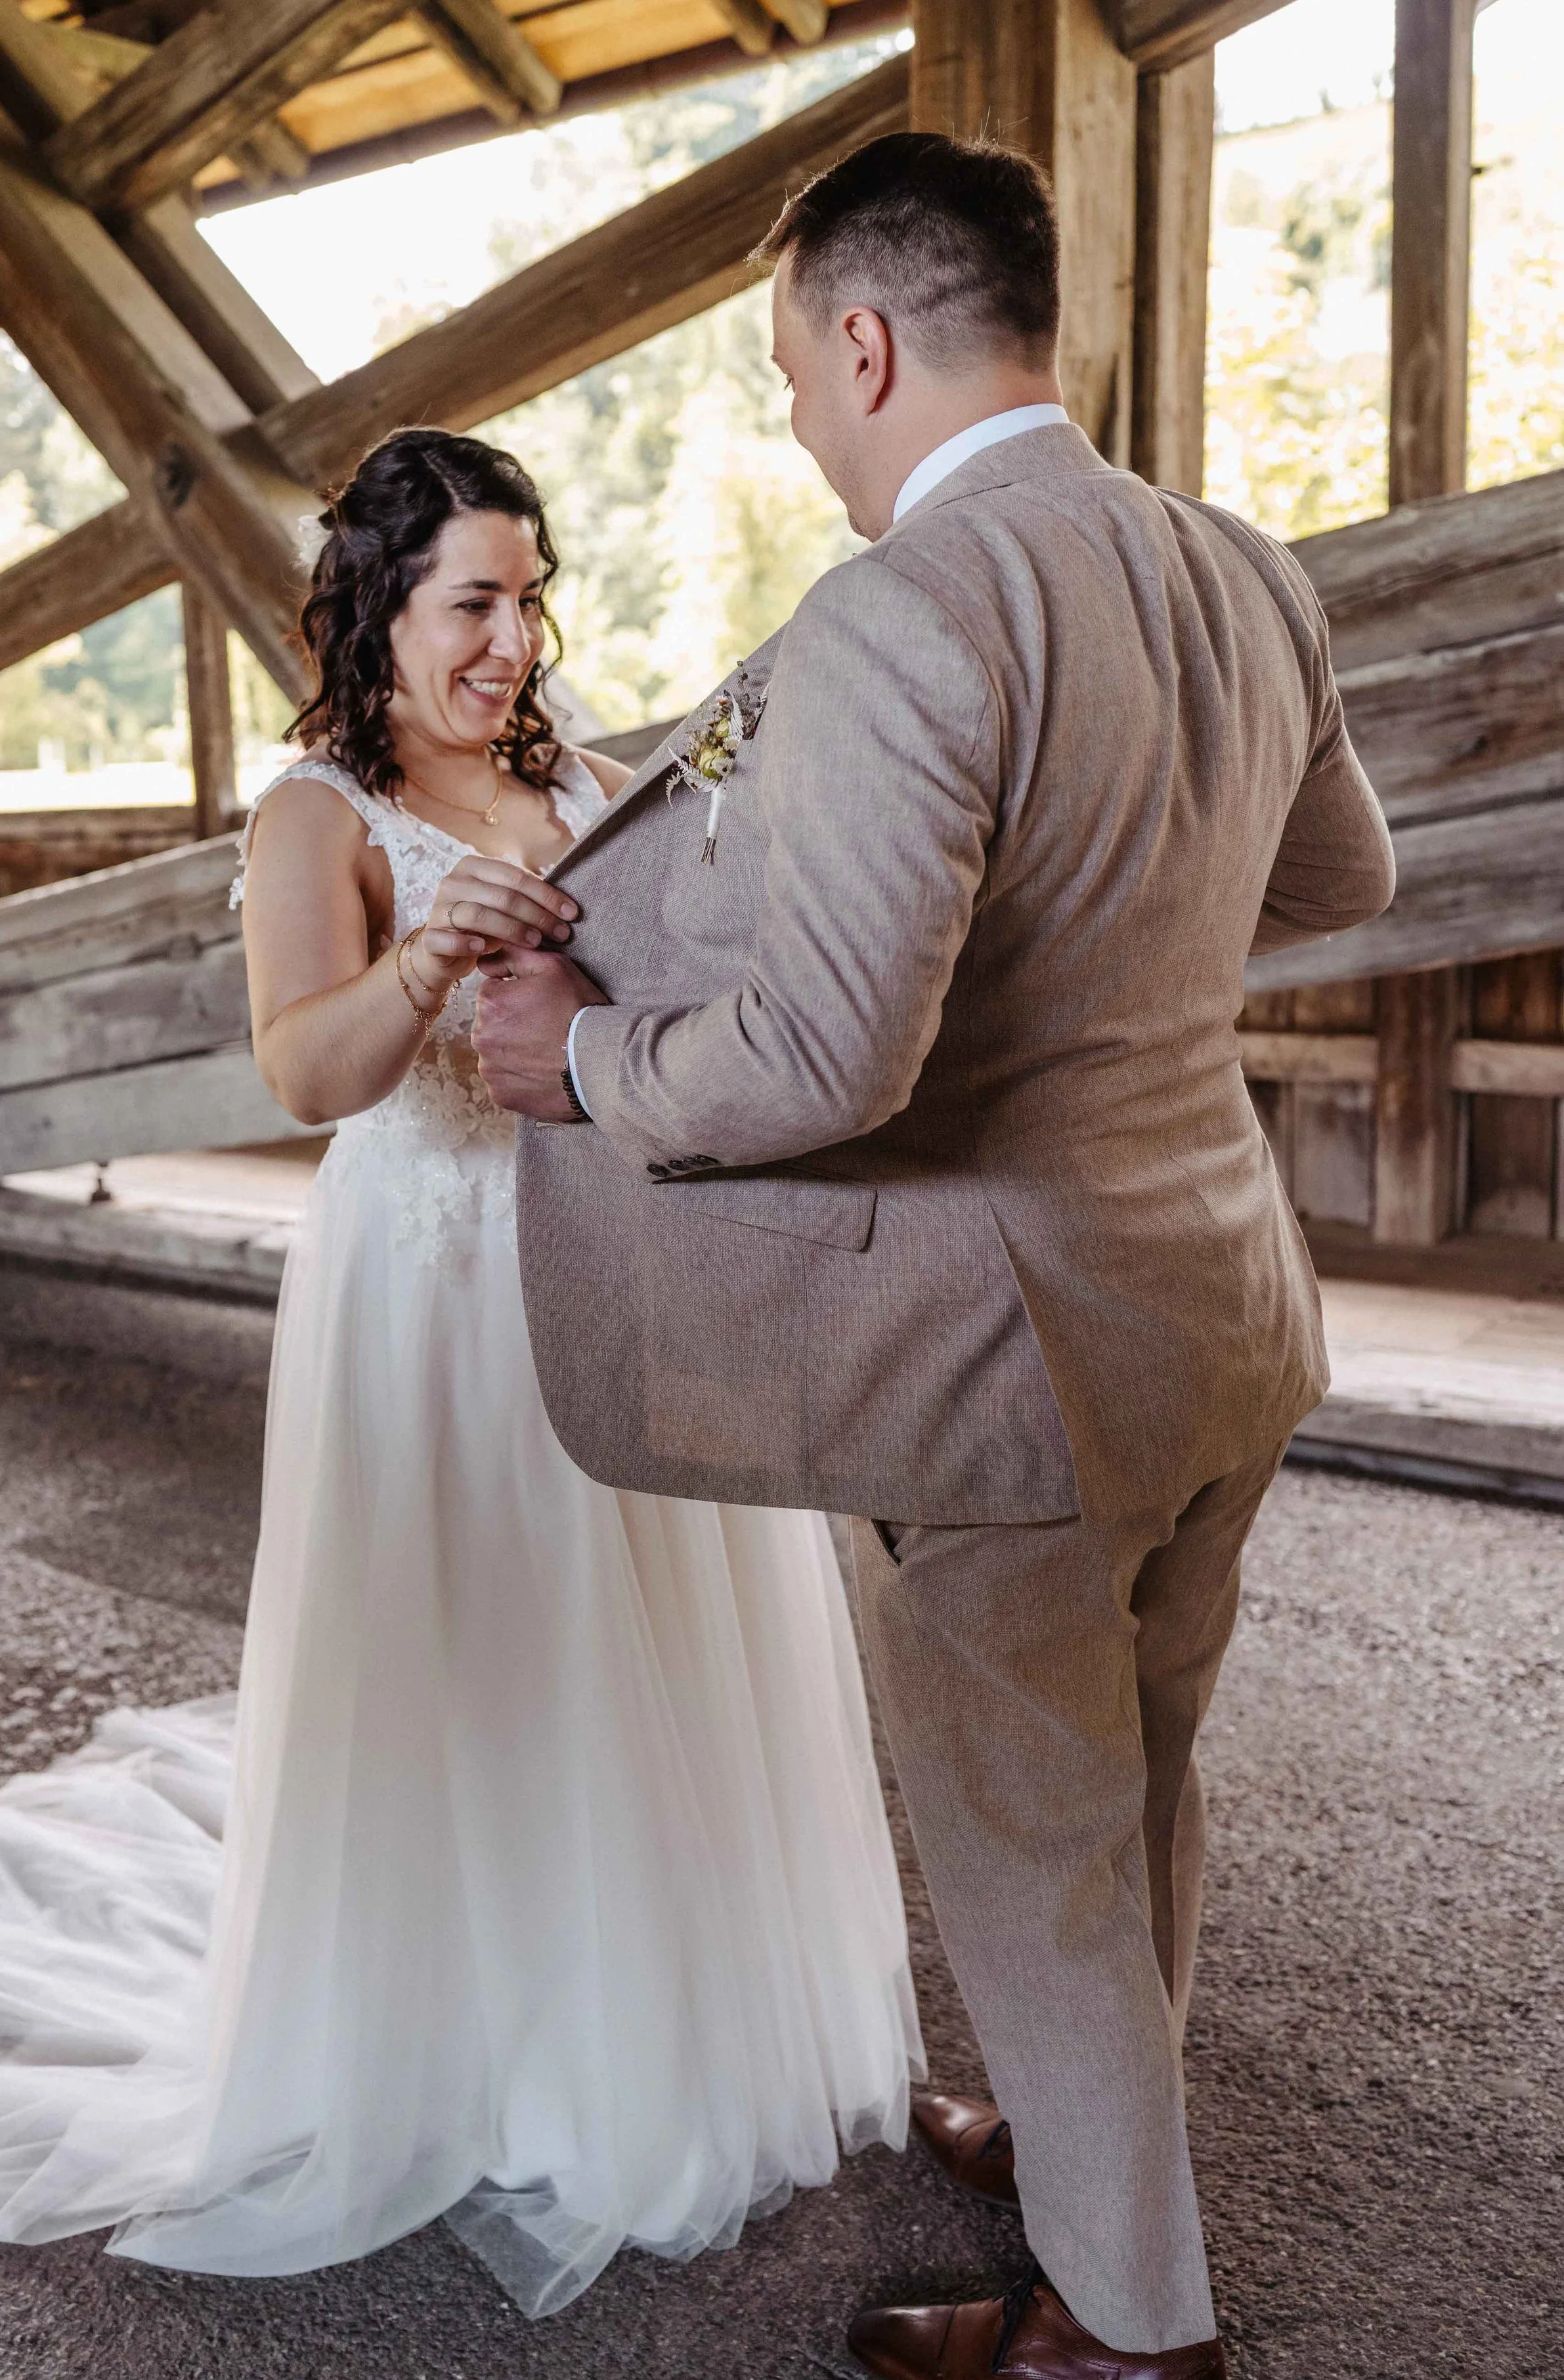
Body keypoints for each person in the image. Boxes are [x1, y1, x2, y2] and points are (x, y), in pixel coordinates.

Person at [471, 137, 1397, 2376]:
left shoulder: (902, 609)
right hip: (1217, 1309)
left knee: (1027, 1836)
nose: (798, 410)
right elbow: (1338, 878)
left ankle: (1122, 2323)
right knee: (1138, 1767)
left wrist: (579, 1052)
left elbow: (820, 1055)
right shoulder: (1235, 564)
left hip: (1002, 1362)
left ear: (864, 341)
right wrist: (1123, 922)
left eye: (792, 366)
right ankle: (1101, 2147)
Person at [0, 427, 921, 2312]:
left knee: (639, 1645)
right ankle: (483, 2047)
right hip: (438, 1282)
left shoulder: (587, 777)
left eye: (530, 598)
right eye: (476, 600)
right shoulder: (317, 813)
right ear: (377, 608)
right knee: (487, 1641)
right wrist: (426, 957)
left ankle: (652, 2020)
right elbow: (301, 1071)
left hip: (611, 1263)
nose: (513, 643)